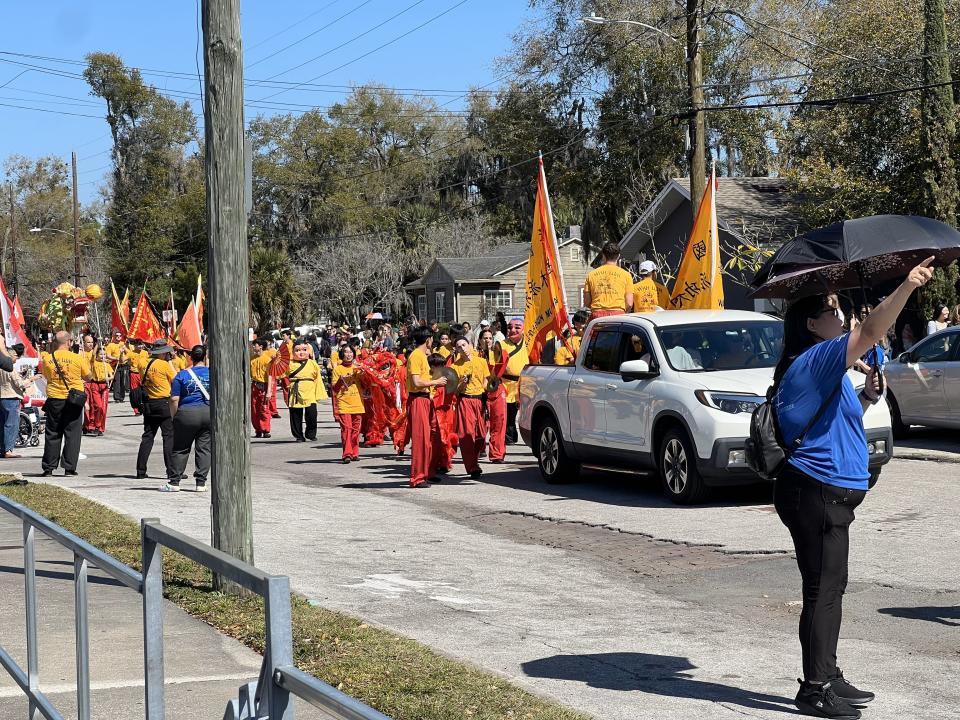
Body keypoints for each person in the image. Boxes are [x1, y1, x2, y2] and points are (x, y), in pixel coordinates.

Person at [772, 257, 934, 718]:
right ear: (810, 324)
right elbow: (867, 333)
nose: (839, 314)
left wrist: (866, 396)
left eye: (840, 307)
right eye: (830, 309)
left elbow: (834, 424)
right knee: (823, 590)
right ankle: (815, 688)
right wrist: (905, 287)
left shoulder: (821, 369)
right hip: (815, 492)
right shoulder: (813, 359)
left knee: (829, 588)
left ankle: (827, 672)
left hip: (823, 492)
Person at [40, 331, 91, 476]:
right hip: (73, 400)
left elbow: (46, 376)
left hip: (55, 399)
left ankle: (48, 468)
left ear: (55, 342)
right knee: (72, 434)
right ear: (69, 342)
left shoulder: (48, 359)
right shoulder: (77, 358)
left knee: (53, 433)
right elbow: (88, 377)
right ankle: (69, 468)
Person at [164, 344, 211, 493]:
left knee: (181, 448)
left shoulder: (182, 375)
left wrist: (174, 416)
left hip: (187, 413)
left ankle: (175, 481)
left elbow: (174, 399)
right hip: (208, 412)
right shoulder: (213, 373)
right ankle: (201, 483)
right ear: (205, 357)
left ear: (190, 357)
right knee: (204, 448)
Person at [406, 326, 446, 487]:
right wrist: (435, 382)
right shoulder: (416, 356)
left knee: (431, 437)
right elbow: (416, 382)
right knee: (420, 439)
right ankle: (417, 477)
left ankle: (427, 472)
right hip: (418, 400)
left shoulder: (422, 355)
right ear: (428, 339)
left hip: (424, 399)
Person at [135, 341, 178, 481]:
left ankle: (140, 470)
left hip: (149, 403)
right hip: (164, 403)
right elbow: (176, 379)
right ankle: (171, 471)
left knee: (147, 437)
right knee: (168, 437)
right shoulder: (164, 365)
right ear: (162, 352)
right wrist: (170, 362)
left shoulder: (142, 363)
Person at [452, 336, 489, 479]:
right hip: (465, 400)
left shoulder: (481, 361)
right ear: (456, 350)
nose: (462, 348)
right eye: (459, 347)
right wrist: (462, 383)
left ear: (470, 345)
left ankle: (474, 460)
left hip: (479, 401)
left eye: (464, 345)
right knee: (467, 436)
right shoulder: (455, 366)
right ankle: (472, 467)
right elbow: (455, 390)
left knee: (481, 435)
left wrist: (490, 387)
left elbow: (485, 382)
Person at [494, 318, 529, 445]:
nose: (512, 330)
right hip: (506, 383)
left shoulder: (530, 343)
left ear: (524, 329)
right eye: (509, 327)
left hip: (525, 384)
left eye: (517, 327)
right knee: (508, 413)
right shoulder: (501, 345)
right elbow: (496, 365)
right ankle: (509, 437)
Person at [583, 242, 633, 320]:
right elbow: (629, 304)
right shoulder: (626, 275)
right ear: (619, 256)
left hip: (597, 316)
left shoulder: (591, 275)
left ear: (603, 255)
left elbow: (586, 302)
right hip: (618, 315)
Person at [0, 343, 33, 458]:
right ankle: (8, 450)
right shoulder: (10, 368)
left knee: (2, 424)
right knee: (11, 425)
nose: (16, 359)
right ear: (10, 356)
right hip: (11, 398)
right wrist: (32, 379)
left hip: (1, 397)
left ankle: (2, 449)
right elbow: (20, 384)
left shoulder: (1, 366)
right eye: (15, 356)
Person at [331, 345, 364, 462]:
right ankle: (347, 454)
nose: (349, 354)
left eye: (351, 352)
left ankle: (355, 453)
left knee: (356, 430)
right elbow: (334, 389)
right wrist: (341, 380)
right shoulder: (337, 369)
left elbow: (366, 385)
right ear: (342, 354)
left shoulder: (358, 368)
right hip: (343, 403)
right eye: (346, 352)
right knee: (346, 429)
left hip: (358, 403)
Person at [478, 328, 506, 463]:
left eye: (489, 338)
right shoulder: (475, 355)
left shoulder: (499, 354)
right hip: (480, 391)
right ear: (480, 340)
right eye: (485, 338)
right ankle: (479, 447)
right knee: (480, 424)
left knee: (499, 422)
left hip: (496, 390)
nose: (487, 340)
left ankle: (497, 453)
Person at [287, 340, 322, 443]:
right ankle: (298, 435)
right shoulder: (289, 364)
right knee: (295, 415)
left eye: (304, 350)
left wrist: (318, 393)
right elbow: (280, 374)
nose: (301, 353)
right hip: (295, 390)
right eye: (297, 350)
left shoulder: (312, 363)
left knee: (312, 414)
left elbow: (318, 378)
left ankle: (310, 433)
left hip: (310, 390)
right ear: (293, 352)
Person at [81, 334, 112, 437]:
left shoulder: (104, 362)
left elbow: (111, 373)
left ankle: (97, 426)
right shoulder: (81, 354)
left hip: (97, 384)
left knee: (100, 407)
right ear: (84, 343)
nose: (90, 344)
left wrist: (98, 343)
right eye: (88, 342)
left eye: (91, 342)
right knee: (88, 407)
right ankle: (88, 425)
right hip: (86, 383)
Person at [250, 338, 275, 438]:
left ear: (260, 346)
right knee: (254, 408)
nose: (253, 347)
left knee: (264, 408)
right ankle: (258, 429)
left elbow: (270, 376)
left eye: (255, 345)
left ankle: (265, 429)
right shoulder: (252, 358)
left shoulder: (267, 359)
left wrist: (269, 391)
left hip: (264, 385)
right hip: (254, 385)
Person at [105, 331, 128, 403]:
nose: (118, 337)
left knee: (122, 381)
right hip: (115, 365)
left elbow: (128, 353)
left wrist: (124, 349)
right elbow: (108, 355)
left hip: (123, 364)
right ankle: (117, 397)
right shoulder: (110, 345)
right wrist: (115, 358)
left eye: (120, 336)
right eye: (117, 336)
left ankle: (122, 397)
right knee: (116, 381)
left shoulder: (122, 344)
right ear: (114, 337)